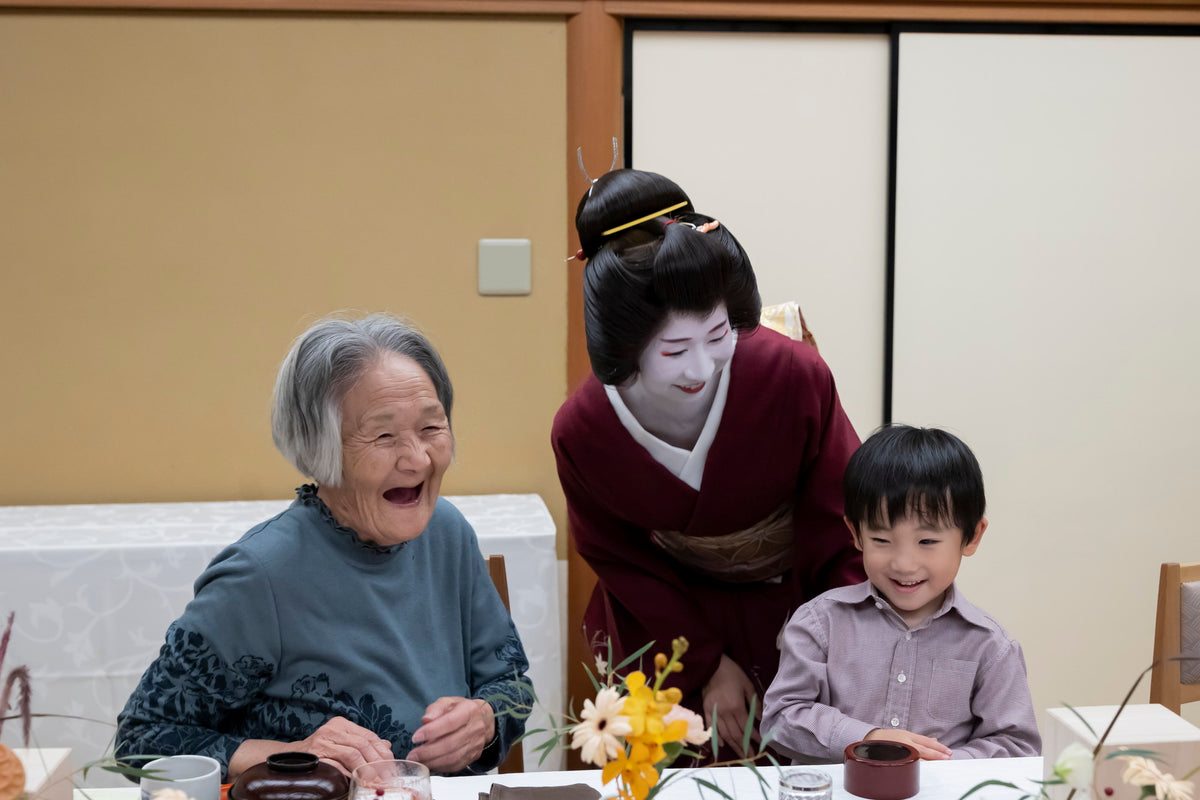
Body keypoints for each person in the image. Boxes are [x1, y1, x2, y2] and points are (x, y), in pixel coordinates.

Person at [116, 313, 533, 779]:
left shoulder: (447, 531)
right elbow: (142, 741)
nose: (418, 458)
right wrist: (294, 755)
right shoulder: (261, 575)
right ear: (321, 448)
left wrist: (485, 721)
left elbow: (510, 683)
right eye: (383, 435)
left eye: (431, 428)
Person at [552, 169, 865, 757]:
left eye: (718, 334)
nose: (702, 367)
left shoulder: (790, 376)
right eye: (674, 350)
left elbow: (838, 518)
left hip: (798, 604)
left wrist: (826, 642)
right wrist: (703, 660)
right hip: (669, 618)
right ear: (623, 345)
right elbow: (619, 555)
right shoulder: (584, 429)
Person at [760, 425, 1041, 762]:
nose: (904, 564)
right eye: (881, 540)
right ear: (856, 533)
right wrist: (866, 738)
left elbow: (1017, 747)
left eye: (927, 542)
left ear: (972, 536)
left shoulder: (991, 646)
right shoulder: (819, 623)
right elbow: (780, 720)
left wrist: (939, 765)